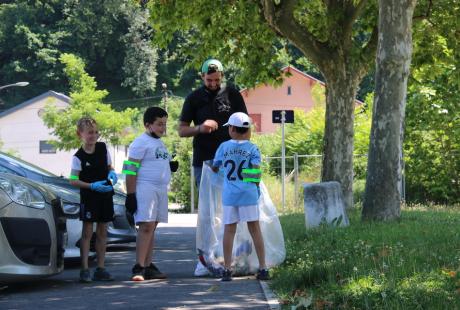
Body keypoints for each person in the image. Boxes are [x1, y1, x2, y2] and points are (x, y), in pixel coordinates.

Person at [211, 112, 269, 281]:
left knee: (229, 230)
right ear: (248, 130)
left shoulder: (223, 147)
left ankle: (227, 269)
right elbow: (255, 174)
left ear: (231, 129)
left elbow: (215, 168)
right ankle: (263, 268)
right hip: (248, 195)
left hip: (230, 196)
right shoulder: (252, 148)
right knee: (255, 229)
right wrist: (255, 188)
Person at [178, 58, 248, 187]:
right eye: (209, 80)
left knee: (231, 203)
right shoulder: (193, 98)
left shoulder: (233, 94)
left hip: (231, 159)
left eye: (217, 80)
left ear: (222, 76)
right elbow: (181, 130)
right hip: (204, 160)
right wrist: (200, 128)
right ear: (202, 76)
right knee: (207, 204)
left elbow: (246, 126)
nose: (213, 84)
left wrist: (244, 148)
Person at [124, 107, 175, 281]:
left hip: (160, 189)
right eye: (159, 124)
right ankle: (138, 267)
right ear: (148, 125)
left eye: (165, 124)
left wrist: (170, 167)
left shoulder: (160, 143)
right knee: (145, 227)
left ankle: (148, 265)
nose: (163, 128)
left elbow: (160, 163)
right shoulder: (139, 142)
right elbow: (130, 170)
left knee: (152, 227)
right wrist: (130, 195)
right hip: (145, 187)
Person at [69, 117, 118, 283]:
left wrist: (112, 173)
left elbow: (110, 167)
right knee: (87, 232)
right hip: (89, 197)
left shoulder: (104, 148)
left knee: (103, 231)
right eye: (90, 132)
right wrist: (91, 186)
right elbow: (73, 180)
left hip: (105, 194)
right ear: (80, 134)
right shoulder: (78, 157)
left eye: (96, 132)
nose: (94, 135)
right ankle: (84, 269)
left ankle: (101, 268)